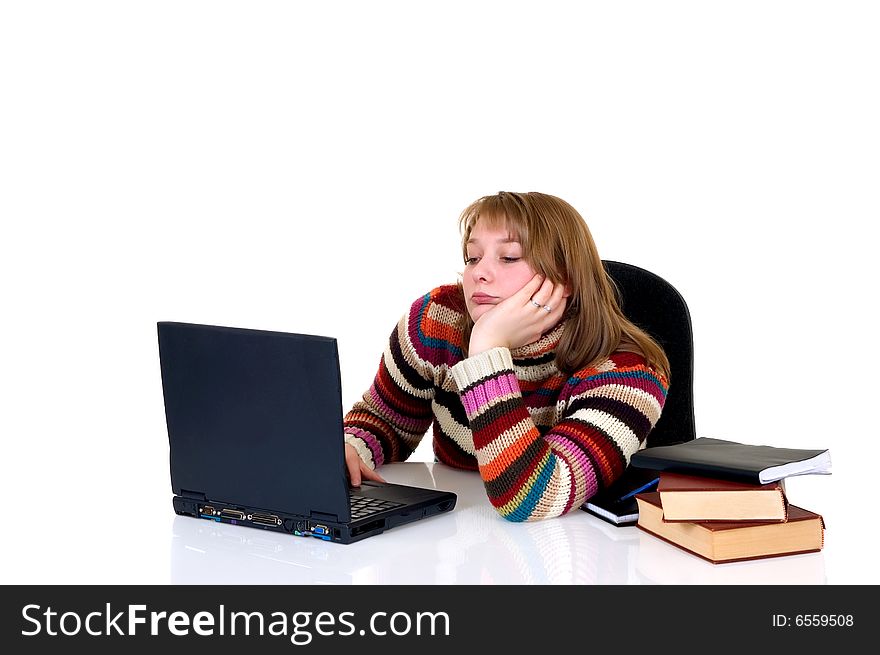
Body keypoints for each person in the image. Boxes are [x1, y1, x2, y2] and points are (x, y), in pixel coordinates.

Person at [343, 191, 670, 522]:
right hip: (459, 532)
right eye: (472, 257)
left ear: (565, 278)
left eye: (509, 257)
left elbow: (535, 497)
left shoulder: (629, 374)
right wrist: (353, 447)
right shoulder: (437, 319)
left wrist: (487, 353)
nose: (478, 274)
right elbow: (385, 419)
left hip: (572, 551)